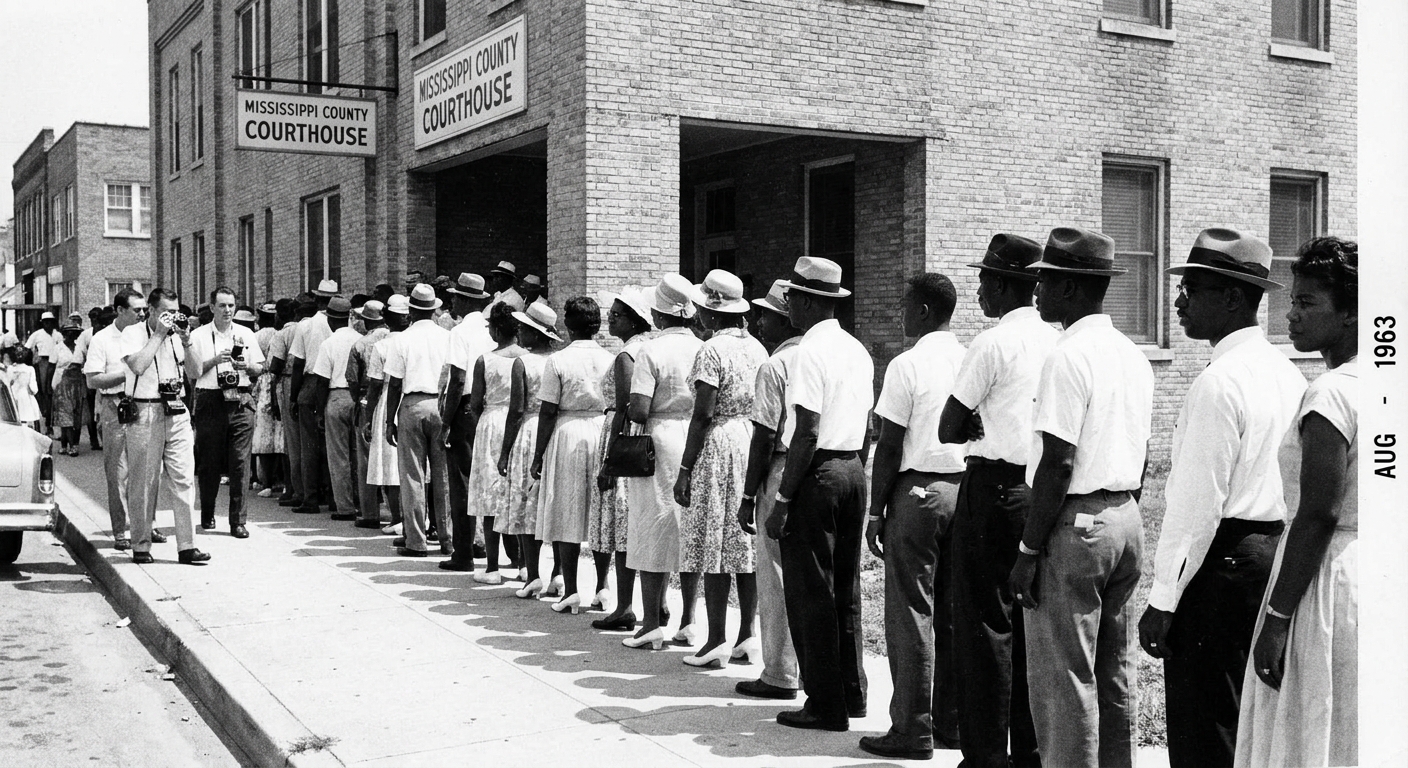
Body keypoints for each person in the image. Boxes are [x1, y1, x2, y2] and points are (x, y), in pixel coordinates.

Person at [1136, 229, 1306, 767]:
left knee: (1203, 724)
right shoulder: (1286, 371)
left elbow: (1194, 508)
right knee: (1246, 723)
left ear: (1233, 298)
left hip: (1223, 564)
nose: (1180, 301)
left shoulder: (1220, 382)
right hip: (1267, 557)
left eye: (1193, 288)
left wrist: (1163, 600)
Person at [1006, 227, 1153, 768]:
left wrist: (1026, 551)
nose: (1037, 292)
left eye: (1044, 281)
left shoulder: (1067, 356)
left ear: (1070, 288)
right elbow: (1140, 448)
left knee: (1064, 678)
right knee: (1114, 671)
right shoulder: (1131, 354)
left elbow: (1057, 463)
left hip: (1077, 521)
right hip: (1125, 518)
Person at [1236, 236, 1358, 768]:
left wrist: (1279, 616)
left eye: (1308, 303)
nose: (1291, 315)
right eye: (1293, 301)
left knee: (1309, 727)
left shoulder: (1331, 392)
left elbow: (1318, 513)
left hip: (1324, 580)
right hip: (1372, 579)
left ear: (1354, 315)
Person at [937, 233, 1054, 768]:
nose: (979, 290)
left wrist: (978, 423)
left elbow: (948, 426)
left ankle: (984, 755)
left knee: (984, 622)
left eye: (985, 279)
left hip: (992, 489)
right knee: (1029, 622)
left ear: (1007, 285)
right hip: (1039, 490)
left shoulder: (991, 343)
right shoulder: (1056, 340)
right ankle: (1028, 751)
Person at [764, 256, 874, 732]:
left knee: (811, 592)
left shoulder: (809, 351)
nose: (787, 304)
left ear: (808, 301)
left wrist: (783, 500)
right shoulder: (857, 349)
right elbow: (868, 425)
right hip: (852, 468)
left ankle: (824, 703)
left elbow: (805, 430)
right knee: (844, 591)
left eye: (791, 296)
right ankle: (852, 693)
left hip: (817, 471)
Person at [861, 272, 967, 759]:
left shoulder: (908, 364)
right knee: (951, 613)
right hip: (964, 492)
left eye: (905, 304)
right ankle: (951, 723)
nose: (899, 313)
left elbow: (889, 444)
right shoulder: (970, 358)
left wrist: (876, 511)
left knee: (910, 613)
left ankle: (911, 728)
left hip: (918, 492)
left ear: (923, 311)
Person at [671, 270, 768, 668]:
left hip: (719, 442)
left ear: (711, 310)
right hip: (750, 439)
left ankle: (715, 640)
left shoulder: (710, 350)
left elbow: (702, 414)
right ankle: (748, 633)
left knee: (712, 539)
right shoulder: (758, 348)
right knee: (742, 542)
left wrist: (685, 466)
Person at [622, 274, 705, 650]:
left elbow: (638, 408)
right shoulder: (703, 348)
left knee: (651, 525)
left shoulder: (651, 352)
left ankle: (652, 620)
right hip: (695, 439)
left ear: (659, 313)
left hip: (657, 439)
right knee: (688, 528)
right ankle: (689, 618)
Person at [735, 280, 803, 700]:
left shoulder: (775, 366)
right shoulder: (823, 355)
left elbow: (763, 435)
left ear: (785, 318)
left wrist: (747, 495)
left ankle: (779, 671)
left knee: (774, 574)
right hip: (820, 470)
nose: (759, 322)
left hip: (779, 467)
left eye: (766, 315)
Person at [532, 297, 615, 613]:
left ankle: (571, 589)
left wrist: (538, 454)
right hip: (600, 428)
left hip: (567, 431)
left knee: (567, 507)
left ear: (568, 324)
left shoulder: (558, 360)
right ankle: (603, 586)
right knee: (600, 509)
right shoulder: (609, 358)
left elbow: (548, 409)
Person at [121, 288, 210, 566]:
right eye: (164, 313)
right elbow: (137, 365)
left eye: (175, 313)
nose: (170, 319)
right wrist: (159, 334)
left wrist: (187, 342)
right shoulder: (132, 334)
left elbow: (195, 372)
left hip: (177, 409)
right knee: (145, 482)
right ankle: (141, 544)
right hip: (145, 409)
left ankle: (187, 546)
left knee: (184, 478)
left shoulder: (179, 336)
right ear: (150, 309)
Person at [589, 287, 654, 631]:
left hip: (624, 439)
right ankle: (653, 605)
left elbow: (625, 408)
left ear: (634, 321)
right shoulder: (649, 348)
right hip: (647, 440)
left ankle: (626, 604)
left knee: (621, 525)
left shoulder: (627, 356)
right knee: (638, 521)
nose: (610, 319)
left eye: (617, 315)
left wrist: (609, 459)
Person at [187, 288, 265, 538]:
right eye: (222, 306)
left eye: (231, 305)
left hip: (240, 398)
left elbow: (260, 367)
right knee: (209, 462)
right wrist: (214, 360)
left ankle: (237, 521)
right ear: (212, 308)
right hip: (210, 399)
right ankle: (207, 512)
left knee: (240, 462)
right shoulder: (198, 335)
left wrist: (248, 366)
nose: (227, 310)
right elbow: (192, 372)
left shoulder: (245, 334)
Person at [383, 284, 453, 557]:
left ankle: (416, 540)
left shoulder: (401, 339)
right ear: (435, 309)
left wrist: (389, 420)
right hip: (441, 404)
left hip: (412, 404)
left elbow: (394, 384)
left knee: (412, 476)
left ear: (411, 310)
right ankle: (448, 540)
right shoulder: (447, 337)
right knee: (443, 475)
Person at [496, 301, 557, 595]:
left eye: (523, 328)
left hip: (529, 431)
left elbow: (516, 410)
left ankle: (532, 573)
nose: (518, 332)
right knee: (552, 503)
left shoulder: (524, 363)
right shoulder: (557, 360)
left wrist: (505, 451)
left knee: (526, 503)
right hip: (553, 432)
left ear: (535, 332)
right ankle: (559, 572)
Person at [439, 273, 497, 572]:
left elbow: (457, 378)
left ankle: (463, 553)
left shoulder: (460, 333)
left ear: (464, 300)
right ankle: (489, 547)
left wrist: (446, 421)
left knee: (462, 483)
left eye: (455, 297)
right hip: (490, 407)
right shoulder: (490, 331)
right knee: (489, 478)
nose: (452, 301)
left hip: (464, 409)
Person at [85, 293, 147, 550]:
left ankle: (146, 527)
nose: (142, 314)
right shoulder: (102, 339)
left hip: (146, 404)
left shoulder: (148, 336)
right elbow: (93, 380)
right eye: (136, 310)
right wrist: (126, 374)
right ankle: (121, 531)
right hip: (116, 407)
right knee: (118, 473)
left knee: (146, 471)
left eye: (145, 309)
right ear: (120, 310)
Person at [309, 297, 362, 522]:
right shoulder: (360, 339)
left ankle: (345, 508)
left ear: (330, 318)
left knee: (338, 456)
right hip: (358, 398)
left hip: (336, 397)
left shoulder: (328, 343)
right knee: (359, 454)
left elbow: (321, 381)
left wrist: (319, 412)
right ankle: (364, 504)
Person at [362, 295, 410, 534]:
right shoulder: (412, 341)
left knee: (389, 461)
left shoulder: (381, 346)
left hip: (386, 402)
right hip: (410, 398)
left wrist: (369, 417)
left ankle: (396, 517)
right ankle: (413, 517)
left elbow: (374, 385)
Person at [290, 280, 338, 513]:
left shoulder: (306, 326)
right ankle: (334, 496)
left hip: (311, 383)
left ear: (317, 300)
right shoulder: (343, 322)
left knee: (308, 445)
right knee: (334, 445)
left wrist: (293, 396)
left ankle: (310, 497)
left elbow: (298, 363)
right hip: (337, 383)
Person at [347, 300, 390, 528]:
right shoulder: (394, 337)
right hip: (394, 397)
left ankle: (370, 512)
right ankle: (395, 512)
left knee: (365, 458)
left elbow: (352, 378)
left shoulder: (360, 344)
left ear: (367, 320)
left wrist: (357, 400)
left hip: (368, 398)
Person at [268, 298, 303, 506]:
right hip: (310, 381)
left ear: (279, 316)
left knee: (292, 442)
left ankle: (294, 489)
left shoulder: (281, 334)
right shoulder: (306, 328)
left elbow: (275, 366)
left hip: (289, 381)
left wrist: (275, 397)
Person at [251, 303, 285, 497]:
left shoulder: (257, 336)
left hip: (263, 384)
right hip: (276, 382)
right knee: (279, 436)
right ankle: (281, 480)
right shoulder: (278, 333)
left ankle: (265, 481)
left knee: (263, 436)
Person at [49, 323, 88, 456]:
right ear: (64, 334)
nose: (72, 335)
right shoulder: (58, 348)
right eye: (69, 332)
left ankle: (75, 444)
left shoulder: (80, 348)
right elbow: (51, 367)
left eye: (75, 332)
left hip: (77, 382)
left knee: (76, 413)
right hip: (61, 382)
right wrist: (48, 386)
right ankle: (65, 444)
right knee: (64, 414)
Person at [25, 311, 62, 432]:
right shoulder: (37, 334)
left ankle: (56, 421)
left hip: (57, 363)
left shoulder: (57, 335)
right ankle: (47, 422)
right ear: (42, 323)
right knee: (45, 391)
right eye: (45, 322)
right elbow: (27, 348)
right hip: (44, 362)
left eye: (50, 322)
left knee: (56, 390)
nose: (48, 324)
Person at [4, 347, 41, 430]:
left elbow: (7, 383)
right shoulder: (30, 369)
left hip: (13, 397)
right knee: (27, 420)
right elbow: (34, 389)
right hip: (26, 398)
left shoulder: (10, 369)